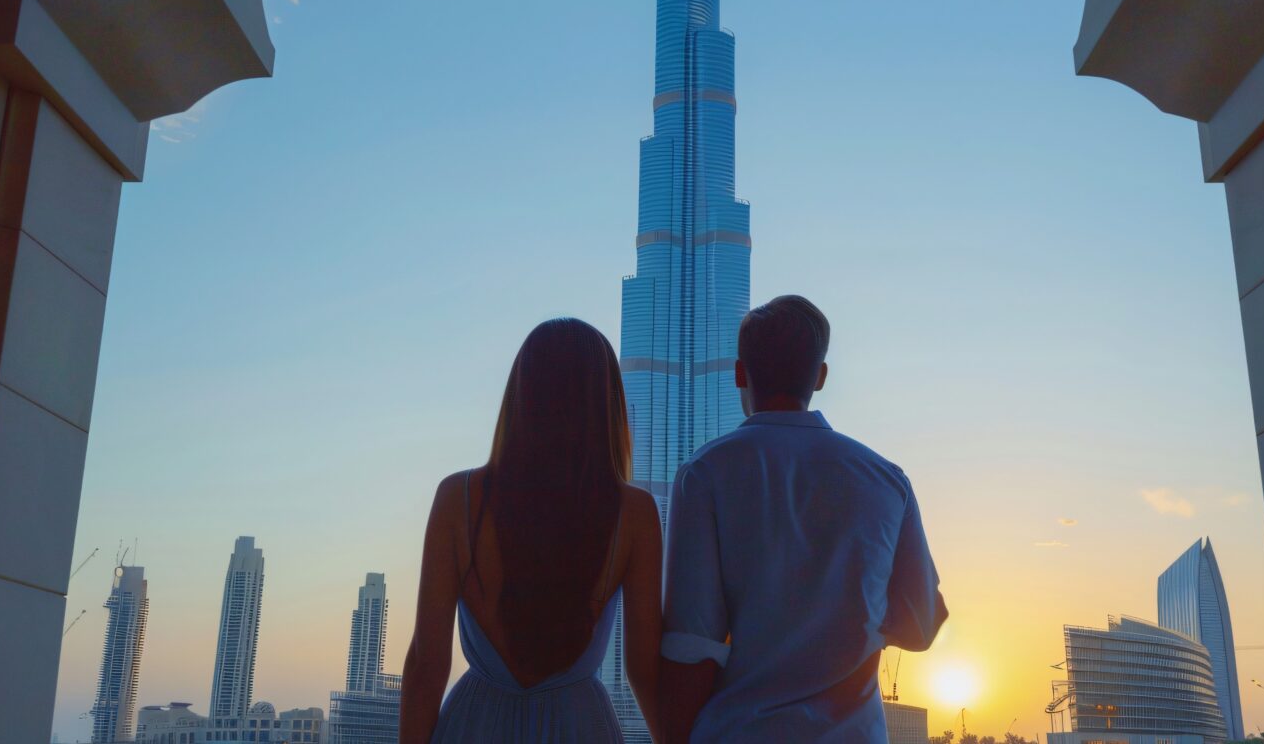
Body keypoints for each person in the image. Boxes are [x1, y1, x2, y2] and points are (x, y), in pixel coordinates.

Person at [657, 295, 948, 743]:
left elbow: (693, 647)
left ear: (739, 372)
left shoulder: (704, 474)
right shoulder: (887, 481)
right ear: (821, 376)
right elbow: (920, 626)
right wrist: (853, 605)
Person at [399, 318, 663, 743]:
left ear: (519, 396)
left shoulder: (457, 499)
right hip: (581, 727)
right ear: (605, 402)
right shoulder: (634, 513)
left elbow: (427, 666)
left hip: (474, 725)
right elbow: (645, 673)